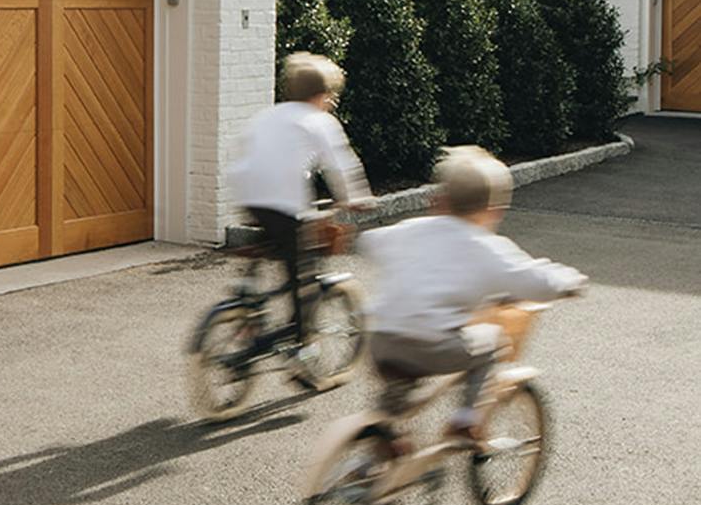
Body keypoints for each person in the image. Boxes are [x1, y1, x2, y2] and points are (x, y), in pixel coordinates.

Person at [355, 143, 585, 443]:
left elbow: (369, 242)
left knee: (402, 381)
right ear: (494, 210)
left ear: (441, 199)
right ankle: (466, 420)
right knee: (491, 343)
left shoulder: (409, 229)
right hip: (432, 343)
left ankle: (386, 437)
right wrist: (569, 282)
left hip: (381, 340)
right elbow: (535, 280)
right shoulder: (487, 247)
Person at [228, 52, 371, 375]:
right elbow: (341, 166)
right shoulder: (319, 121)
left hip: (250, 197)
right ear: (320, 95)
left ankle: (247, 304)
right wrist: (355, 198)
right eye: (330, 95)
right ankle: (300, 346)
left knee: (274, 246)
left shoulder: (269, 115)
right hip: (284, 204)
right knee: (303, 275)